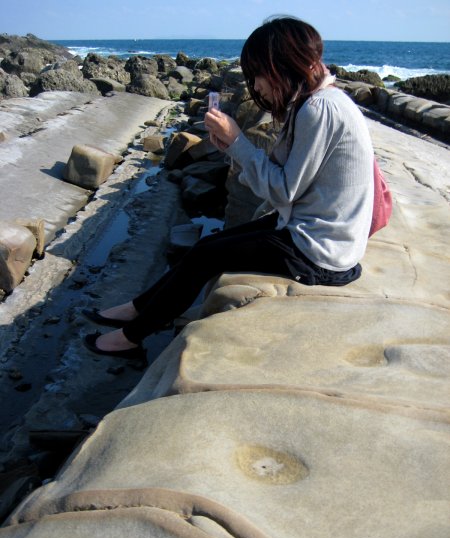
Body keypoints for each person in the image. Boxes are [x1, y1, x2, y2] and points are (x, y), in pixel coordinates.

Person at [83, 16, 374, 359]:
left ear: (280, 65)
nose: (256, 87)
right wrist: (231, 148)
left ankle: (131, 337)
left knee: (208, 254)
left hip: (321, 253)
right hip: (317, 231)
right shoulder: (316, 102)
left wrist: (238, 141)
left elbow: (281, 191)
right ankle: (138, 308)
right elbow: (288, 181)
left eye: (256, 75)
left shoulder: (319, 109)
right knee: (211, 243)